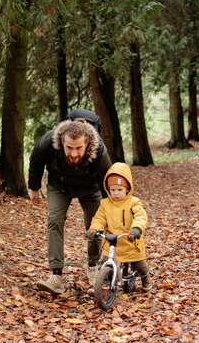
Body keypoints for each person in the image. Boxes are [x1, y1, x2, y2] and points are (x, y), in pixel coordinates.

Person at [28, 109, 112, 294]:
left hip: (90, 187)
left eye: (78, 148)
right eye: (69, 148)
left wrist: (111, 205)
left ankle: (93, 266)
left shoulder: (99, 150)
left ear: (87, 143)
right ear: (62, 142)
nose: (73, 154)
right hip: (60, 184)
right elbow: (36, 159)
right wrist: (34, 187)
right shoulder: (50, 141)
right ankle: (56, 276)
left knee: (95, 225)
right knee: (55, 220)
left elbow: (107, 179)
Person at [86, 162, 152, 292]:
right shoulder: (105, 204)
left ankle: (145, 276)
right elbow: (99, 218)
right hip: (112, 242)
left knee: (139, 263)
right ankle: (102, 286)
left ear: (127, 189)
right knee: (105, 263)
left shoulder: (134, 202)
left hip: (129, 240)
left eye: (120, 190)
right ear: (108, 189)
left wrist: (136, 229)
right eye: (113, 189)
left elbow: (140, 216)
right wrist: (94, 228)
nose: (116, 193)